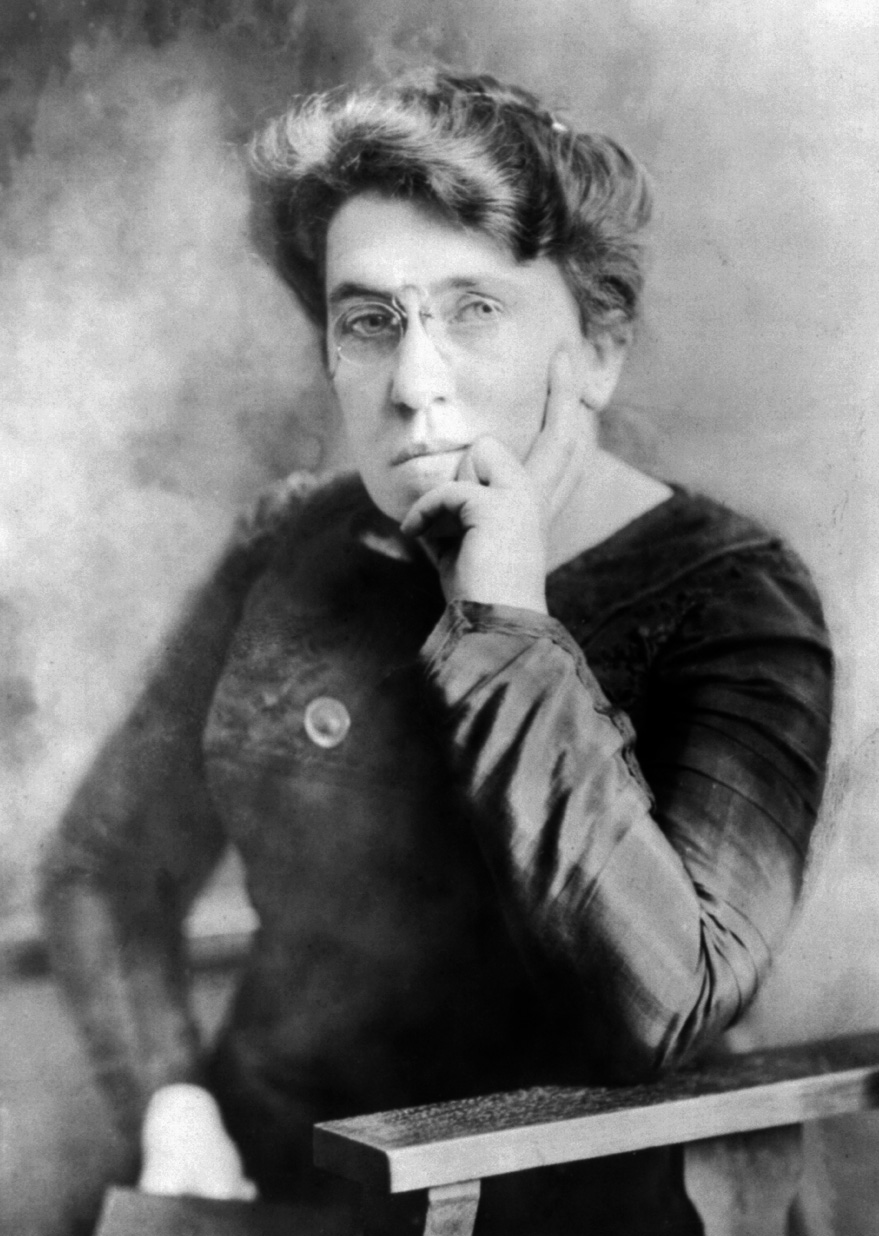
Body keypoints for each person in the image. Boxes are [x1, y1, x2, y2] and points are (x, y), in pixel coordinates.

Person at [40, 71, 833, 1234]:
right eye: (369, 321)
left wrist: (504, 619)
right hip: (263, 1193)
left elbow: (664, 1010)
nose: (415, 387)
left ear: (597, 352)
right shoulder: (291, 548)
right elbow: (105, 865)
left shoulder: (731, 595)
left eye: (476, 312)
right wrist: (172, 1101)